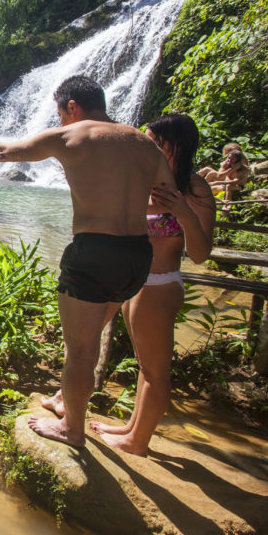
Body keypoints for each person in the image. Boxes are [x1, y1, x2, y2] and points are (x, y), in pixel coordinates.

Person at [0, 76, 175, 447]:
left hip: (94, 253)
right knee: (89, 342)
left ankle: (72, 430)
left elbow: (5, 153)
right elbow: (167, 199)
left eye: (61, 113)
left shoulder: (70, 137)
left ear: (72, 107)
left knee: (79, 351)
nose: (60, 120)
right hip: (139, 256)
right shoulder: (144, 142)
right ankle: (71, 405)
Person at [76, 115, 214, 455]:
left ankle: (137, 443)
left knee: (156, 372)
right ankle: (132, 427)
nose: (145, 147)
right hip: (134, 282)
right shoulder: (145, 181)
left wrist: (183, 212)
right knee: (146, 366)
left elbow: (200, 254)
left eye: (154, 142)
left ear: (175, 146)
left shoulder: (195, 189)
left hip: (160, 284)